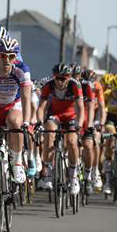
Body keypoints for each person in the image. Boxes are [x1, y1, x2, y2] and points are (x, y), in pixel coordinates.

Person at [0, 37, 32, 221]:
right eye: (3, 56)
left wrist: (26, 122)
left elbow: (26, 99)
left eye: (11, 56)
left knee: (15, 121)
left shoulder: (21, 70)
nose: (7, 60)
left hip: (14, 106)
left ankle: (17, 163)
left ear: (15, 57)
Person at [37, 63, 84, 194]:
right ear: (54, 76)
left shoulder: (75, 85)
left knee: (71, 142)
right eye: (58, 78)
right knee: (49, 134)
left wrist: (79, 125)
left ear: (69, 78)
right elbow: (41, 107)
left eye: (63, 78)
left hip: (70, 116)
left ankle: (73, 176)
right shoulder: (49, 85)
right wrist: (40, 122)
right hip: (55, 114)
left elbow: (80, 107)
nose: (60, 81)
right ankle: (48, 174)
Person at [73, 66, 96, 195]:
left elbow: (91, 107)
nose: (74, 78)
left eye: (77, 75)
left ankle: (88, 175)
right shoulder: (68, 85)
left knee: (88, 146)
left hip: (86, 117)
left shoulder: (87, 86)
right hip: (73, 117)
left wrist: (91, 124)